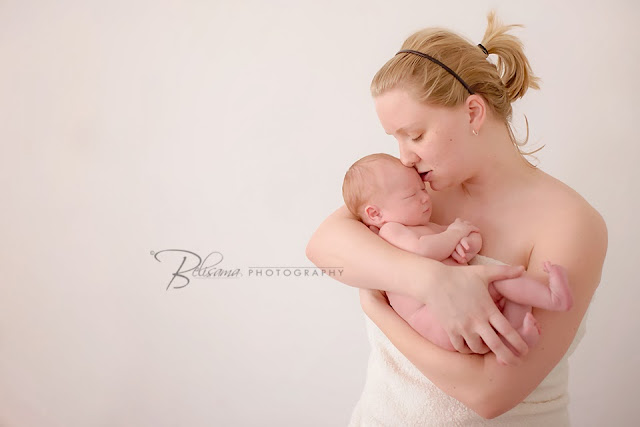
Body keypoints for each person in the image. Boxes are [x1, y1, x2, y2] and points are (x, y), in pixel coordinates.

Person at [305, 11, 607, 424]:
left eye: (415, 135)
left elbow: (488, 394)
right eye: (395, 140)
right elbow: (323, 245)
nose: (404, 157)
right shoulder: (418, 192)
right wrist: (432, 281)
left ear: (472, 113)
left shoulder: (570, 223)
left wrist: (380, 311)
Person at [341, 152, 573, 362]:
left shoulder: (428, 226)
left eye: (423, 190)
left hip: (462, 295)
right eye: (412, 195)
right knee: (490, 314)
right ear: (375, 213)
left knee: (508, 287)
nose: (425, 198)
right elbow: (424, 250)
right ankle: (517, 333)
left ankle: (542, 309)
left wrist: (469, 244)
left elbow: (465, 236)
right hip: (432, 315)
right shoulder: (390, 230)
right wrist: (454, 234)